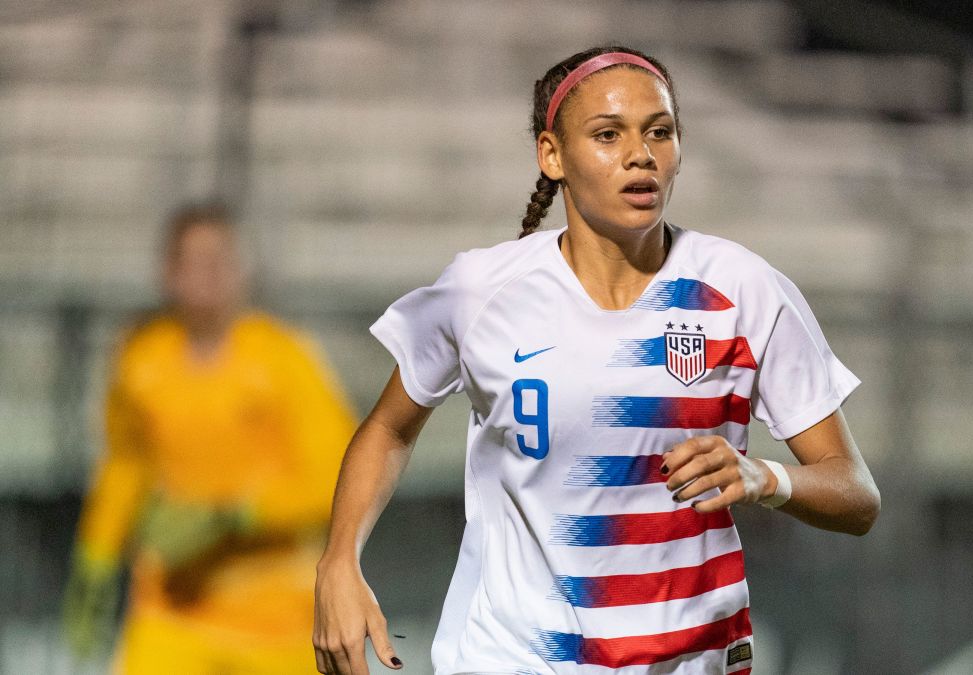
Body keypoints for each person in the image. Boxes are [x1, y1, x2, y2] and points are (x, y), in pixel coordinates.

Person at [313, 46, 881, 675]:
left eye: (659, 132)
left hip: (694, 659)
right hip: (513, 657)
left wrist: (764, 478)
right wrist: (339, 561)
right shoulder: (481, 291)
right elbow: (388, 429)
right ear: (551, 155)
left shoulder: (744, 289)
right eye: (608, 135)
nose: (641, 155)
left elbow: (855, 495)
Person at [63, 203, 357, 674]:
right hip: (171, 612)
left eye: (220, 260)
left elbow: (340, 477)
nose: (209, 275)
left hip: (276, 622)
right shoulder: (142, 360)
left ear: (242, 271)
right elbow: (125, 465)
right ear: (168, 273)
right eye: (194, 262)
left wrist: (238, 515)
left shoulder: (285, 359)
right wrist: (95, 556)